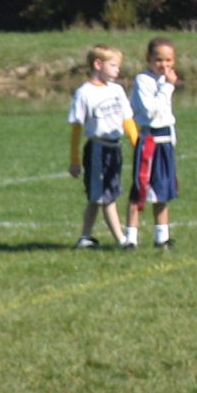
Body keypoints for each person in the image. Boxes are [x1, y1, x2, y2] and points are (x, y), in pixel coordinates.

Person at [68, 44, 137, 250]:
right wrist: (74, 160)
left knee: (98, 197)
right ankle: (122, 240)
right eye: (113, 65)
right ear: (98, 64)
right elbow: (76, 129)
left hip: (115, 148)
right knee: (106, 196)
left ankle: (85, 237)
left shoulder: (117, 90)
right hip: (98, 149)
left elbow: (128, 120)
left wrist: (137, 146)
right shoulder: (84, 93)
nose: (118, 70)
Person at [126, 36, 180, 250]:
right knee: (140, 189)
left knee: (163, 190)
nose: (164, 65)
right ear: (148, 59)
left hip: (165, 140)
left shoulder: (165, 81)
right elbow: (150, 111)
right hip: (150, 140)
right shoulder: (143, 81)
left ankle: (162, 237)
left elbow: (167, 115)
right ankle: (130, 238)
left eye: (168, 60)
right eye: (158, 60)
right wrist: (168, 88)